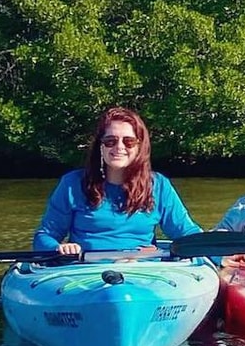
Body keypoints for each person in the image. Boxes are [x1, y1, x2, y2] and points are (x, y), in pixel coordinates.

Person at [33, 107, 202, 254]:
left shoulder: (159, 185)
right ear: (101, 146)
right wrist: (58, 248)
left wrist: (220, 255)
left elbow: (186, 232)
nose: (119, 147)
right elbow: (45, 236)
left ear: (139, 147)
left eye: (129, 142)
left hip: (142, 270)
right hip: (85, 271)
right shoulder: (72, 184)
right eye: (110, 141)